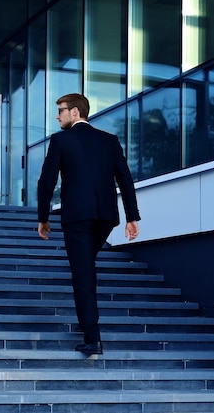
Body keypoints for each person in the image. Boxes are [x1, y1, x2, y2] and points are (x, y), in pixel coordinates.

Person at [37, 93, 141, 355]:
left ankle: (92, 338)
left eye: (61, 110)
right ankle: (88, 324)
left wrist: (43, 217)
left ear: (75, 113)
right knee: (85, 266)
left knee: (83, 273)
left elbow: (46, 182)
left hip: (78, 218)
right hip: (106, 217)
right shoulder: (109, 141)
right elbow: (125, 180)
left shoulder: (61, 141)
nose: (57, 115)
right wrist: (132, 217)